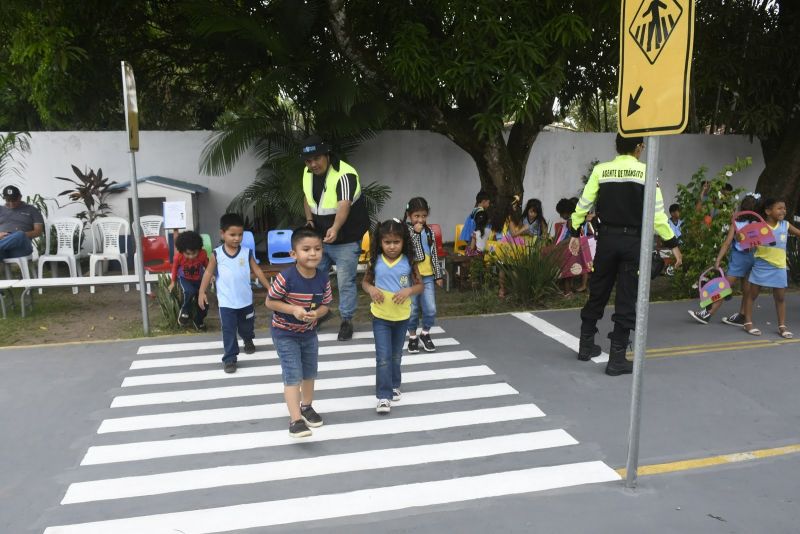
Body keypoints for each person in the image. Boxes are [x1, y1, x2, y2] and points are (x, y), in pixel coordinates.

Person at [569, 134, 682, 376]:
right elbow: (658, 215)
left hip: (607, 240)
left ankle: (585, 346)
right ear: (639, 148)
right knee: (627, 297)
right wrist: (673, 243)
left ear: (617, 147)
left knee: (598, 290)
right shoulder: (647, 173)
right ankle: (617, 358)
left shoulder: (602, 170)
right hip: (634, 242)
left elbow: (584, 203)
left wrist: (574, 229)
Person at [300, 135, 369, 342]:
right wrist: (310, 220)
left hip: (346, 240)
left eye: (317, 158)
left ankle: (346, 321)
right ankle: (319, 315)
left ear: (327, 154)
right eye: (308, 160)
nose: (313, 164)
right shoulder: (307, 172)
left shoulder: (345, 174)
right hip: (320, 240)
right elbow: (307, 197)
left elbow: (344, 204)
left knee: (345, 282)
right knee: (314, 280)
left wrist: (336, 228)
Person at [266, 226, 333, 438]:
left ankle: (307, 407)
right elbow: (270, 302)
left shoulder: (323, 278)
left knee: (310, 372)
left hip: (309, 333)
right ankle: (295, 420)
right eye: (306, 249)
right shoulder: (286, 277)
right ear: (294, 254)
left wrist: (317, 314)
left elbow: (326, 305)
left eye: (317, 248)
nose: (313, 253)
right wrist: (293, 309)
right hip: (284, 333)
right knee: (293, 374)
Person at [362, 219, 423, 414]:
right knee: (383, 357)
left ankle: (395, 384)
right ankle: (383, 396)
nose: (391, 246)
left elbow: (420, 285)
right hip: (380, 316)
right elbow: (365, 283)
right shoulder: (375, 262)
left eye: (396, 242)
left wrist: (408, 291)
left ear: (403, 241)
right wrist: (371, 289)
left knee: (396, 355)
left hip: (402, 317)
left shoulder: (409, 262)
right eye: (387, 242)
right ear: (380, 242)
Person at [198, 213, 272, 373]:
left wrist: (269, 287)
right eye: (232, 234)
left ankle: (247, 339)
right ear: (222, 234)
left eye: (240, 234)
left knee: (246, 327)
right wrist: (201, 292)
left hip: (245, 301)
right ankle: (230, 358)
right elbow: (208, 273)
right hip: (226, 303)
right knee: (229, 330)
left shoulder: (246, 253)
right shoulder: (216, 254)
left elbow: (257, 270)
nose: (236, 238)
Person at [688, 194, 759, 326]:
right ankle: (743, 316)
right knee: (747, 290)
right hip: (752, 259)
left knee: (723, 287)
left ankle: (708, 314)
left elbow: (726, 243)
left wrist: (718, 260)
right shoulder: (757, 224)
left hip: (739, 259)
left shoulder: (737, 223)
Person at [742, 198, 800, 338]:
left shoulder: (785, 225)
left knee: (780, 297)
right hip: (761, 266)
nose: (783, 211)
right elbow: (744, 244)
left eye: (784, 208)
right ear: (768, 211)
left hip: (779, 267)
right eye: (779, 208)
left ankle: (782, 326)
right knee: (752, 295)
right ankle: (748, 322)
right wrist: (746, 242)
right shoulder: (758, 226)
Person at [403, 197, 445, 353]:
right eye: (416, 216)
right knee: (412, 309)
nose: (420, 220)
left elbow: (434, 254)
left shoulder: (429, 232)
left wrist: (438, 275)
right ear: (409, 215)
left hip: (427, 276)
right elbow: (410, 249)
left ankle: (425, 333)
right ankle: (412, 336)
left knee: (431, 308)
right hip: (412, 277)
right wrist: (415, 232)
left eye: (423, 216)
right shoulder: (406, 231)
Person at [169, 230, 209, 331]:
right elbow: (174, 268)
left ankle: (199, 321)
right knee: (189, 291)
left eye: (194, 253)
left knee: (204, 303)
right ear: (182, 250)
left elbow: (207, 266)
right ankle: (184, 311)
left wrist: (211, 274)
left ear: (199, 249)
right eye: (188, 254)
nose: (191, 256)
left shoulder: (203, 254)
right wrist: (173, 282)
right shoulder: (178, 256)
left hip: (199, 281)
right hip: (184, 279)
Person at [0, 185, 44, 261]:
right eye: (8, 200)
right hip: (4, 249)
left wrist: (16, 236)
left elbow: (38, 231)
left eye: (14, 200)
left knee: (20, 234)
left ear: (20, 197)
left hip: (21, 248)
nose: (11, 203)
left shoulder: (32, 210)